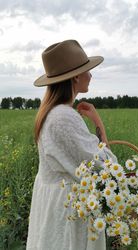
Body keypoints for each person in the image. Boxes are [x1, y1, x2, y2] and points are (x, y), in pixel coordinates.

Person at [26, 39, 117, 250]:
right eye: (87, 70)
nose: (91, 75)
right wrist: (99, 124)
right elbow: (106, 166)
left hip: (55, 207)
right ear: (76, 76)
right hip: (67, 215)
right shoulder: (63, 117)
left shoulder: (51, 113)